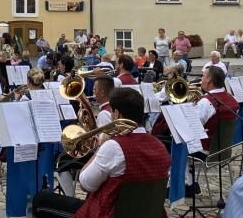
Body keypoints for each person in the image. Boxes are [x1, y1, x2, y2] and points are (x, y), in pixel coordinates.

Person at [32, 87, 171, 218]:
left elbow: (86, 184)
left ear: (117, 114)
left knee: (41, 200)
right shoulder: (159, 146)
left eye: (112, 112)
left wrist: (100, 147)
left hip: (106, 213)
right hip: (147, 213)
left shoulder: (114, 147)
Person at [188, 65, 238, 195]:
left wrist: (189, 107)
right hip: (224, 150)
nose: (201, 80)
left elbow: (191, 127)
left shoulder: (206, 102)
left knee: (172, 144)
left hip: (206, 152)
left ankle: (187, 185)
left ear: (209, 79)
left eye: (203, 76)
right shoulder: (232, 98)